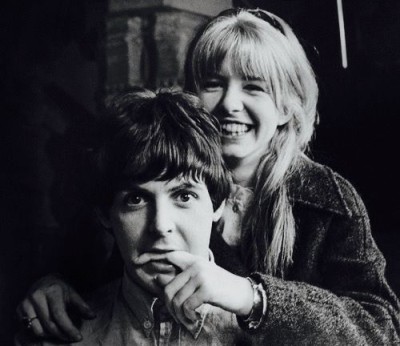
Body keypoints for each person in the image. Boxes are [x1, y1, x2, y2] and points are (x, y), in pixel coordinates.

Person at [17, 8, 400, 345]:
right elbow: (93, 270)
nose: (231, 104)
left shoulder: (328, 199)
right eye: (213, 84)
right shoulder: (144, 174)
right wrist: (52, 286)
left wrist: (254, 298)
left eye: (254, 87)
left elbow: (380, 330)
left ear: (288, 107)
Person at [17, 89, 268, 345]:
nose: (160, 225)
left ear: (217, 205)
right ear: (105, 215)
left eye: (183, 196)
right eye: (135, 200)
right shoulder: (63, 336)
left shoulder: (265, 330)